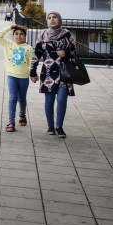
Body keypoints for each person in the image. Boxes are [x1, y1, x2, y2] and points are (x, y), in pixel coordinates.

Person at [29, 10, 77, 138]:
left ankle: (59, 127)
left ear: (59, 19)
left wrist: (66, 53)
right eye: (49, 17)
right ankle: (50, 126)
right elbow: (36, 55)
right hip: (48, 72)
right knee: (49, 101)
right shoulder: (43, 35)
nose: (52, 19)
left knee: (61, 99)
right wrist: (32, 72)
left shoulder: (67, 35)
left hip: (63, 73)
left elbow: (75, 54)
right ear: (47, 20)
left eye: (54, 17)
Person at [0, 24, 33, 132]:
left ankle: (22, 114)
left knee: (22, 98)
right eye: (16, 34)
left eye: (21, 34)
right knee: (12, 98)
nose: (19, 36)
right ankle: (11, 122)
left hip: (24, 77)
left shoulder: (28, 48)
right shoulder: (8, 44)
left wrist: (33, 74)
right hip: (12, 76)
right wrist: (9, 28)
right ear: (13, 35)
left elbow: (31, 63)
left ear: (25, 36)